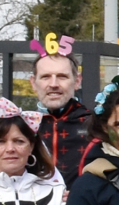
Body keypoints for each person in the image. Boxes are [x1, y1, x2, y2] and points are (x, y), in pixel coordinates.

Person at [28, 42, 94, 188]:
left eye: (62, 76)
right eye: (45, 77)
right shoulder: (22, 126)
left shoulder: (97, 125)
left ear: (77, 81)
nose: (53, 84)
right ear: (33, 83)